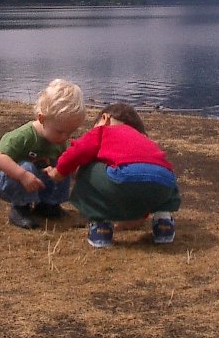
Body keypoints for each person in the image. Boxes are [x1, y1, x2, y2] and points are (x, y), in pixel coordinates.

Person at [45, 102, 180, 248]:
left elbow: (78, 151)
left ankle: (101, 227)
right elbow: (142, 185)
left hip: (123, 178)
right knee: (160, 174)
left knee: (88, 166)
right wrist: (135, 218)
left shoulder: (103, 131)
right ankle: (163, 223)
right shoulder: (144, 140)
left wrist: (59, 171)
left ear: (105, 118)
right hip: (165, 183)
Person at [0, 78, 86, 229]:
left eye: (70, 132)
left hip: (36, 177)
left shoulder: (58, 140)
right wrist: (23, 175)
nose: (65, 137)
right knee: (27, 167)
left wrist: (68, 171)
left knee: (61, 165)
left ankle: (48, 205)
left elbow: (63, 163)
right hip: (6, 178)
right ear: (42, 119)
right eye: (60, 131)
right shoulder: (23, 136)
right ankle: (20, 208)